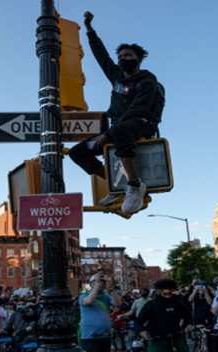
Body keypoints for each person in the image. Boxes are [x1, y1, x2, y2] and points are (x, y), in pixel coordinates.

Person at [68, 11, 164, 215]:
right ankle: (115, 183)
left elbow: (137, 110)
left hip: (141, 123)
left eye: (127, 56)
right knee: (78, 152)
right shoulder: (117, 77)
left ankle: (133, 185)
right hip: (118, 127)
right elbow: (101, 56)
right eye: (120, 56)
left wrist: (107, 135)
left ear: (138, 60)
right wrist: (89, 29)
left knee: (120, 130)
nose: (122, 59)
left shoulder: (147, 83)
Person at [134, 278, 192, 352]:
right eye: (165, 294)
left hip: (175, 337)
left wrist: (188, 324)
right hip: (157, 340)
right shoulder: (151, 304)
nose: (167, 296)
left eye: (170, 294)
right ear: (159, 292)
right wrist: (141, 331)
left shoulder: (178, 303)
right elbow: (139, 320)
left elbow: (188, 316)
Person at [78, 272, 122, 351]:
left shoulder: (105, 296)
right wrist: (96, 285)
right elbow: (88, 302)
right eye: (98, 281)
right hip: (90, 337)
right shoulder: (84, 295)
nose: (101, 284)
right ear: (91, 283)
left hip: (105, 336)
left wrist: (111, 289)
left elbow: (118, 303)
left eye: (103, 282)